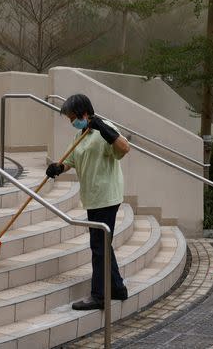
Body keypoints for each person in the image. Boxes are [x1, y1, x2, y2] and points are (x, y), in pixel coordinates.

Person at [45, 93, 130, 310]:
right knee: (103, 244)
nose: (71, 121)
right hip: (92, 198)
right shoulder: (81, 135)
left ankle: (99, 296)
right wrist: (58, 167)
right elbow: (71, 160)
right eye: (69, 119)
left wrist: (105, 129)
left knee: (99, 247)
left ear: (84, 113)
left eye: (73, 117)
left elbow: (124, 148)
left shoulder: (104, 129)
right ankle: (118, 288)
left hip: (106, 197)